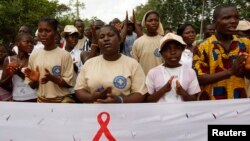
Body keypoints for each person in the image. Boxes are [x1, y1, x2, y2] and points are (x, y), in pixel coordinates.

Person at [75, 25, 147, 103]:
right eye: (102, 37)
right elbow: (79, 89)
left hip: (123, 114)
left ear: (119, 39)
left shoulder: (133, 64)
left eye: (110, 35)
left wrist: (120, 100)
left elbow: (140, 94)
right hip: (94, 113)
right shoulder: (89, 64)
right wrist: (91, 97)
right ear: (98, 43)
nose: (106, 39)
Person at [193, 4, 250, 100]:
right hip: (211, 104)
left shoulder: (246, 43)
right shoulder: (202, 46)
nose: (233, 21)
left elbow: (248, 75)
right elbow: (198, 79)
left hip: (238, 102)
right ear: (214, 22)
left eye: (236, 17)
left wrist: (247, 69)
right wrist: (230, 71)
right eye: (226, 18)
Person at [24, 18, 75, 103]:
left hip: (61, 102)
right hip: (41, 102)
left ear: (55, 33)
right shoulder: (34, 55)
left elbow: (69, 84)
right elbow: (33, 86)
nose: (43, 34)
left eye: (47, 31)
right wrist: (35, 81)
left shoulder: (65, 55)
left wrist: (52, 78)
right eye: (40, 31)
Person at [146, 33, 200, 102]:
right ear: (161, 53)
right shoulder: (153, 72)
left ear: (182, 51)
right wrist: (163, 90)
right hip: (161, 112)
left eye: (177, 48)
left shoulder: (190, 72)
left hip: (183, 112)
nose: (173, 52)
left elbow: (194, 100)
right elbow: (148, 100)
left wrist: (183, 93)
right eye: (168, 49)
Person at [1, 33, 37, 102]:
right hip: (16, 98)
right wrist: (10, 76)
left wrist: (19, 73)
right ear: (17, 43)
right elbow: (2, 83)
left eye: (32, 43)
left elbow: (34, 85)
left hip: (33, 97)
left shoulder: (33, 59)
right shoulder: (8, 60)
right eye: (27, 42)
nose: (31, 45)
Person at [131, 10, 164, 75]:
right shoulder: (137, 42)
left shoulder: (164, 41)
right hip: (143, 81)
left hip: (162, 82)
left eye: (156, 20)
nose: (153, 22)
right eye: (150, 20)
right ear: (145, 23)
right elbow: (134, 65)